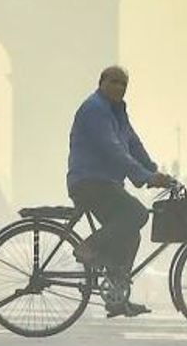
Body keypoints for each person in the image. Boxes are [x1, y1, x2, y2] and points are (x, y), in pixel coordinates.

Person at [67, 65, 173, 318]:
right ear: (101, 82)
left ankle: (116, 298)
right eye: (114, 82)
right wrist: (145, 177)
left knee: (129, 236)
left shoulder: (117, 111)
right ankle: (88, 247)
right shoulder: (95, 109)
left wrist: (154, 170)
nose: (119, 88)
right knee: (137, 214)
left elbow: (132, 144)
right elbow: (113, 149)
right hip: (90, 181)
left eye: (123, 84)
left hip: (105, 183)